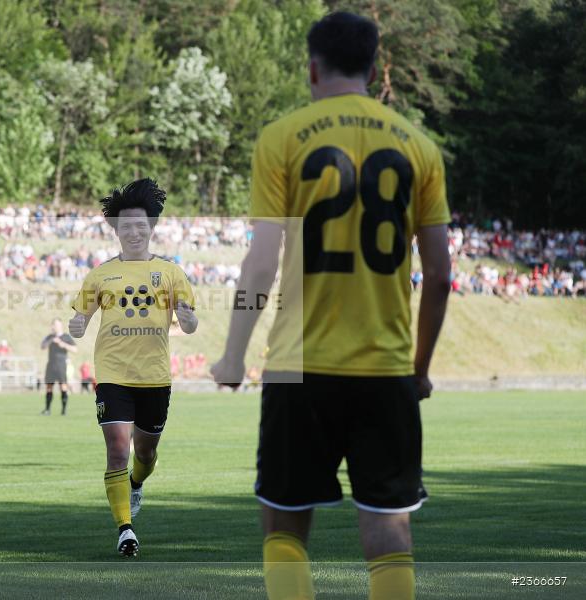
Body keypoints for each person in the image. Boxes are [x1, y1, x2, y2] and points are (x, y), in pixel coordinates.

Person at [211, 12, 451, 600]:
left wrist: (232, 356)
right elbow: (441, 276)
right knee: (389, 530)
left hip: (299, 368)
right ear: (374, 69)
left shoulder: (282, 137)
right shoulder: (420, 147)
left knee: (285, 528)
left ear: (311, 67)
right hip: (386, 368)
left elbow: (261, 263)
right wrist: (418, 370)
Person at [69, 179, 198, 557]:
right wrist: (76, 325)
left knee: (145, 456)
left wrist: (187, 316)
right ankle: (126, 529)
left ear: (150, 228)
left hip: (155, 376)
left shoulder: (171, 273)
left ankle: (137, 483)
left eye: (141, 225)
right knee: (116, 451)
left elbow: (190, 325)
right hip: (112, 375)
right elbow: (78, 319)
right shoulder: (100, 274)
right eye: (127, 226)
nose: (134, 231)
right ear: (117, 230)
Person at [40, 318, 77, 415]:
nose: (54, 327)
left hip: (61, 365)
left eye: (56, 325)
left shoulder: (66, 337)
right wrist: (51, 340)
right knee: (49, 387)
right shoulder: (50, 337)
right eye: (53, 325)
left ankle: (64, 410)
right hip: (51, 365)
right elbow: (42, 347)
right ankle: (47, 410)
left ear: (60, 326)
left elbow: (75, 349)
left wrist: (62, 344)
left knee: (63, 386)